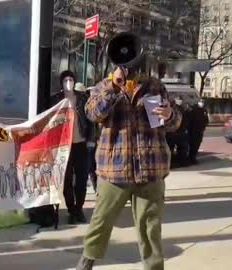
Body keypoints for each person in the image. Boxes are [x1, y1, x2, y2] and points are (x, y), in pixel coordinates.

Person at [76, 67, 182, 270]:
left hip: (150, 170)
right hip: (113, 171)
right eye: (121, 64)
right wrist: (114, 87)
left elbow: (175, 122)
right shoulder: (103, 87)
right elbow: (93, 114)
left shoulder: (155, 86)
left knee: (150, 228)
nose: (126, 67)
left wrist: (169, 115)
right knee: (100, 222)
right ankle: (85, 263)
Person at [50, 70, 94, 224]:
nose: (68, 82)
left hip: (80, 143)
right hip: (64, 146)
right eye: (65, 80)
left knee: (81, 178)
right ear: (61, 83)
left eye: (71, 79)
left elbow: (90, 120)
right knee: (67, 178)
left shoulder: (82, 99)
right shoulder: (56, 99)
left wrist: (91, 139)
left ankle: (79, 208)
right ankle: (71, 210)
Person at [166, 97, 190, 168]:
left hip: (178, 132)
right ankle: (175, 162)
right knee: (172, 148)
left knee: (181, 148)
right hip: (173, 132)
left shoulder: (181, 109)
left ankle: (180, 162)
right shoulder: (174, 109)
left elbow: (185, 121)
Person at [187, 100, 209, 164]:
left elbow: (206, 120)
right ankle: (191, 158)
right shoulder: (193, 110)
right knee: (192, 145)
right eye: (200, 102)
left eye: (203, 102)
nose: (202, 103)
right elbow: (189, 120)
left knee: (197, 145)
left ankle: (193, 158)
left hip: (200, 131)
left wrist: (204, 127)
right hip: (192, 131)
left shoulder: (204, 110)